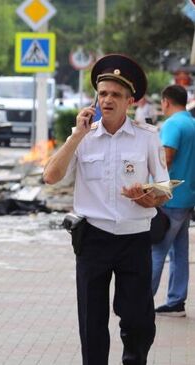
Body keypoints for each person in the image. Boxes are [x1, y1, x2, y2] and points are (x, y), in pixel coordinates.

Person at [43, 54, 170, 365]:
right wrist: (76, 135)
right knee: (92, 320)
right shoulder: (83, 139)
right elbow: (50, 176)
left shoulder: (147, 138)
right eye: (103, 94)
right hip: (93, 239)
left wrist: (150, 197)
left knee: (139, 319)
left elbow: (165, 186)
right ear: (95, 98)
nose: (108, 100)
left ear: (129, 100)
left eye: (116, 94)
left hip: (134, 238)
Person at [151, 84, 195, 317]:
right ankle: (176, 301)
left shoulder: (173, 124)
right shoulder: (192, 123)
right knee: (179, 253)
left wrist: (152, 191)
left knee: (157, 250)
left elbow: (165, 159)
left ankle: (142, 300)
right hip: (187, 198)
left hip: (169, 198)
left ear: (166, 101)